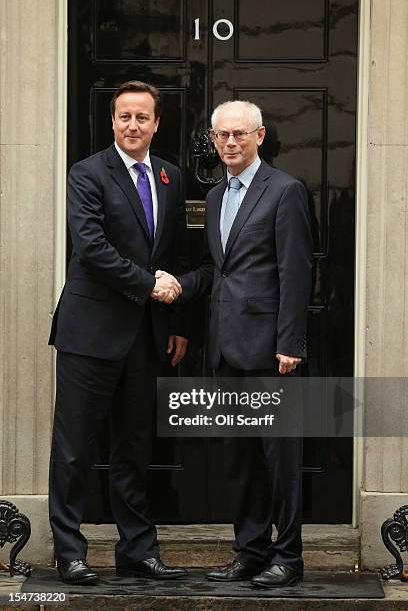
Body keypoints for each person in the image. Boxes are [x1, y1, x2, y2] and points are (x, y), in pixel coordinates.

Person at [156, 100, 313, 588]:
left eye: (239, 134)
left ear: (259, 136)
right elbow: (216, 271)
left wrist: (290, 342)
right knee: (239, 460)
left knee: (279, 459)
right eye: (221, 135)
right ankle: (250, 551)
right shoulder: (217, 195)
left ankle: (288, 557)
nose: (229, 143)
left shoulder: (285, 191)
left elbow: (296, 271)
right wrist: (177, 286)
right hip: (225, 348)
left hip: (271, 350)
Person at [48, 80, 188, 585]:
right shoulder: (87, 174)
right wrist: (150, 285)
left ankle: (138, 550)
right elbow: (91, 247)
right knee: (75, 447)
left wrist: (173, 323)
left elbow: (171, 257)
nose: (133, 125)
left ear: (156, 123)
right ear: (113, 121)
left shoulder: (172, 176)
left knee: (135, 447)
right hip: (90, 334)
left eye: (142, 117)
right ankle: (70, 552)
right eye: (124, 116)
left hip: (146, 338)